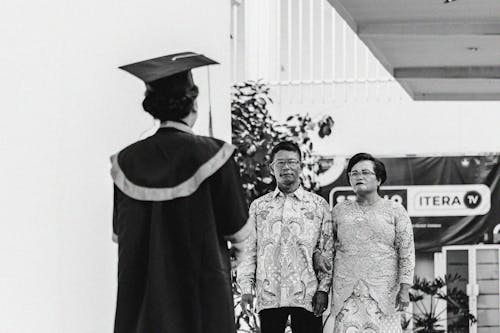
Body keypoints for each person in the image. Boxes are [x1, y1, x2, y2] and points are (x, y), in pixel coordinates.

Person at [111, 52, 252, 333]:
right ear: (193, 104)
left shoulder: (124, 162)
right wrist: (237, 254)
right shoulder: (216, 155)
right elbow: (238, 231)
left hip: (145, 297)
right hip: (200, 290)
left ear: (152, 107)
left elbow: (119, 234)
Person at [237, 141, 334, 333]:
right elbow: (249, 250)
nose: (286, 167)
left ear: (300, 166)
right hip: (269, 295)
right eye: (280, 163)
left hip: (308, 294)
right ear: (272, 168)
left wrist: (323, 289)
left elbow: (327, 249)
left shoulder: (318, 205)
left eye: (292, 162)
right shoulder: (258, 207)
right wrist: (246, 289)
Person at [315, 152, 415, 333]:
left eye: (365, 172)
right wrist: (323, 288)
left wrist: (405, 288)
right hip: (346, 294)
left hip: (383, 293)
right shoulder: (339, 211)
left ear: (379, 180)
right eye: (353, 173)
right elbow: (328, 252)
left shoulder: (395, 210)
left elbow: (406, 251)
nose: (358, 176)